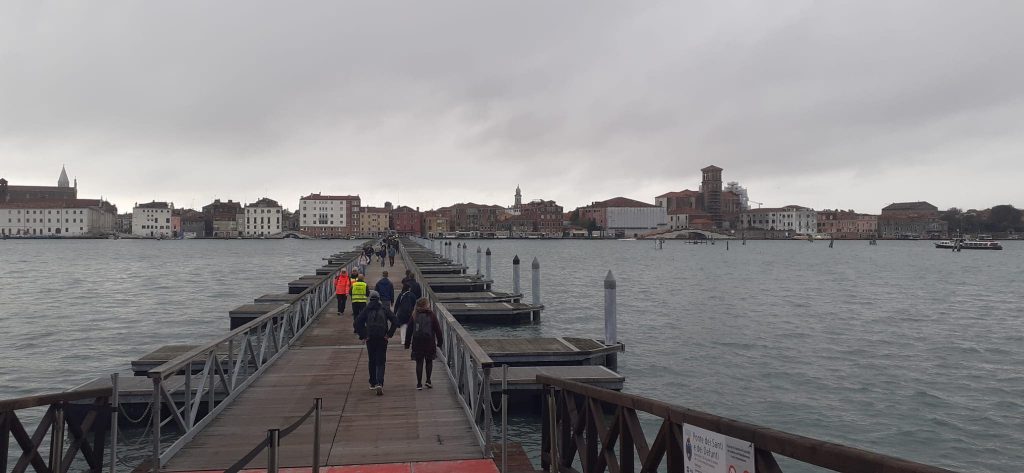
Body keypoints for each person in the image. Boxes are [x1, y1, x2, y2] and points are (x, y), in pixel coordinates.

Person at [355, 290, 398, 395]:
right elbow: (395, 321)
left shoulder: (367, 309)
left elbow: (357, 323)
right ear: (379, 299)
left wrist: (364, 335)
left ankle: (373, 382)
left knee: (372, 360)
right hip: (382, 337)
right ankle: (380, 383)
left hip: (370, 338)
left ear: (370, 299)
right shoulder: (384, 308)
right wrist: (389, 334)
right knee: (381, 361)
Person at [404, 297, 443, 390]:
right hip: (429, 342)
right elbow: (438, 330)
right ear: (426, 305)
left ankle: (418, 384)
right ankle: (428, 381)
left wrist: (407, 343)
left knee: (419, 362)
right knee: (429, 361)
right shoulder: (431, 315)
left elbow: (409, 330)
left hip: (417, 342)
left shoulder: (414, 315)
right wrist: (440, 342)